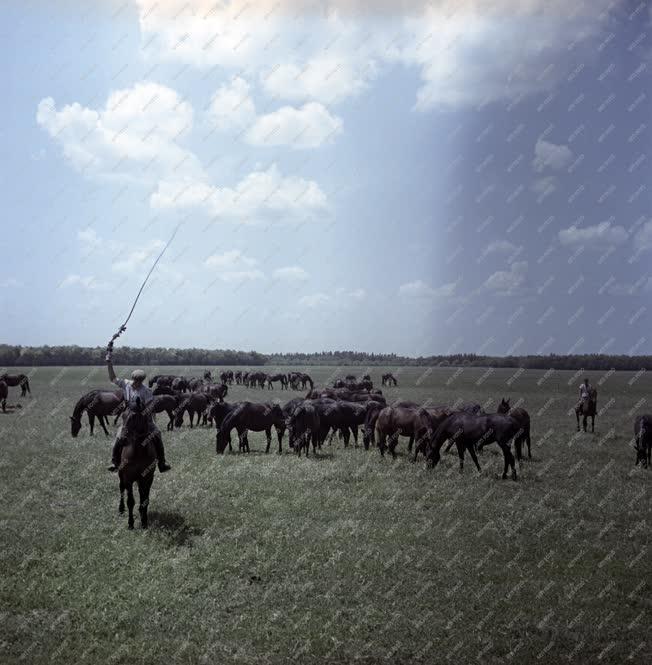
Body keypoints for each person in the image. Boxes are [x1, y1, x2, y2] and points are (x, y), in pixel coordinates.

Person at [105, 352, 171, 473]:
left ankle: (162, 462)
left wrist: (142, 414)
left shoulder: (146, 391)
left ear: (142, 380)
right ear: (132, 378)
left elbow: (150, 406)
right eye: (135, 380)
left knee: (157, 434)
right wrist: (109, 363)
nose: (136, 383)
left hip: (144, 419)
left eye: (139, 381)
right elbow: (113, 378)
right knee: (119, 436)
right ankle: (114, 461)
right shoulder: (126, 384)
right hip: (129, 417)